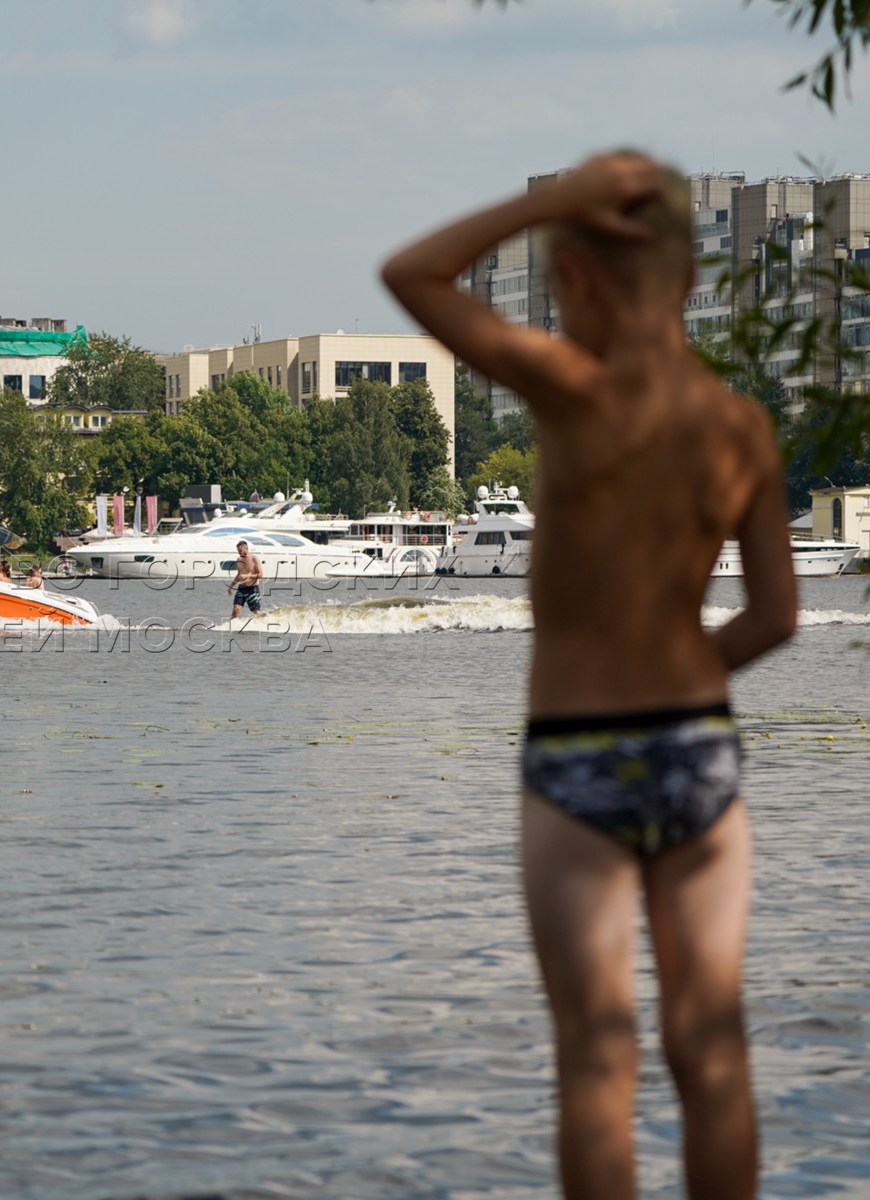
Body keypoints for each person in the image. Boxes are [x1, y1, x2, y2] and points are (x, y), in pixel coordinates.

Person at [383, 150, 797, 1200]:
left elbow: (412, 277)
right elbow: (778, 616)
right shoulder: (740, 426)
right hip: (697, 745)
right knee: (711, 1049)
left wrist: (555, 203)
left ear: (571, 286)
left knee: (596, 1060)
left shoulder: (569, 391)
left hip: (577, 751)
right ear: (691, 283)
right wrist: (689, 670)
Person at [230, 540, 263, 618]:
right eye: (238, 551)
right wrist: (231, 586)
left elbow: (261, 575)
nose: (239, 553)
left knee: (256, 612)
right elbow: (239, 575)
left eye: (241, 551)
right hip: (242, 588)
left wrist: (248, 576)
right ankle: (231, 626)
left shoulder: (254, 558)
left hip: (252, 589)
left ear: (246, 548)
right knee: (236, 609)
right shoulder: (239, 559)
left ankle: (263, 624)